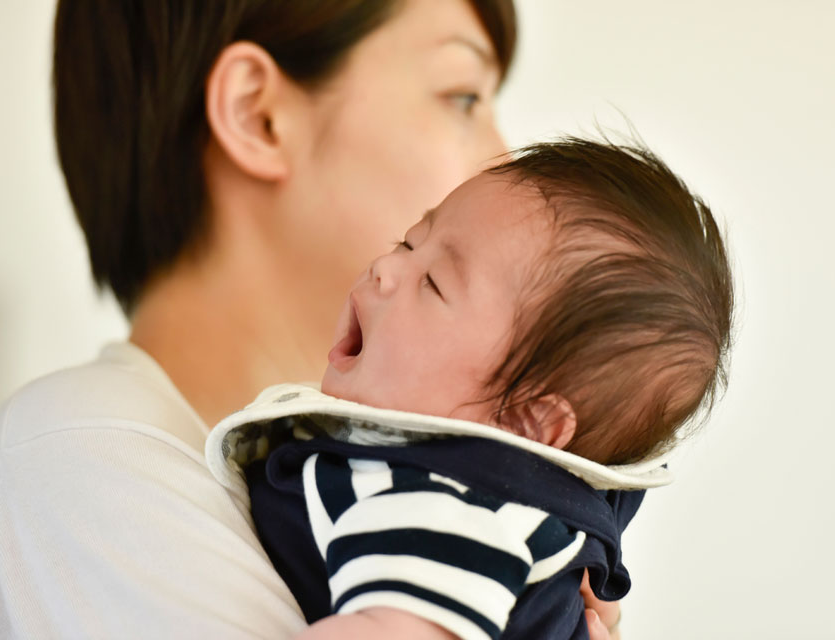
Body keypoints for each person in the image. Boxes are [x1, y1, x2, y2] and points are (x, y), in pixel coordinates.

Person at [0, 1, 618, 638]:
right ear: (258, 115)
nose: (504, 160)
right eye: (463, 97)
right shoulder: (88, 454)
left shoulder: (399, 483)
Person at [204, 138, 735, 639]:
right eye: (409, 242)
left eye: (434, 283)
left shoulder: (446, 507)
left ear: (525, 419)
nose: (386, 267)